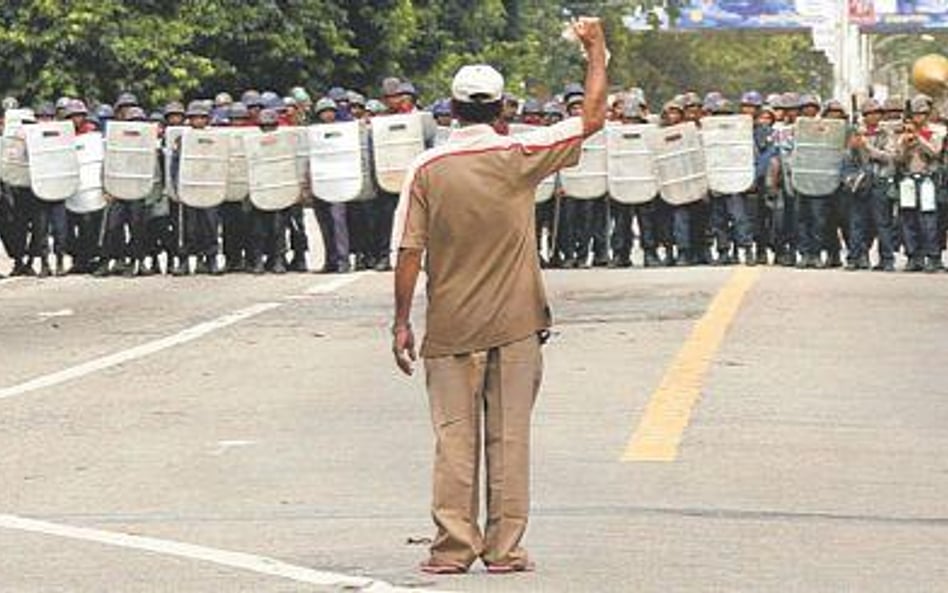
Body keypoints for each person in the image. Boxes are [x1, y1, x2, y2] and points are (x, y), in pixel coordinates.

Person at [392, 16, 607, 574]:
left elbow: (409, 253)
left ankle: (451, 550)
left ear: (451, 108)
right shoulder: (520, 157)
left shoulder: (427, 167)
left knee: (454, 441)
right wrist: (596, 50)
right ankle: (504, 550)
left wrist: (400, 323)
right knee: (509, 440)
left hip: (450, 326)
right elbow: (592, 118)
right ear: (502, 107)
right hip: (516, 324)